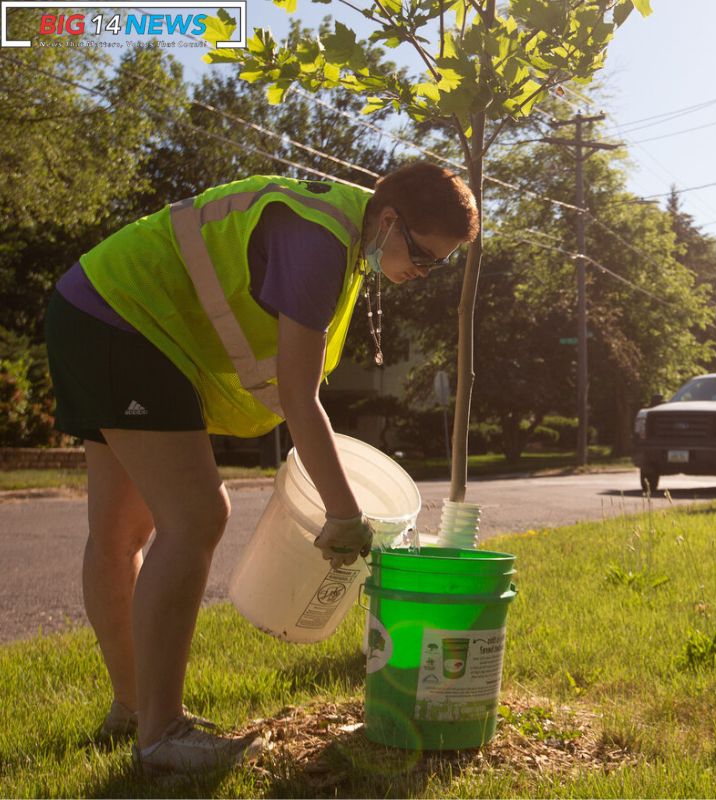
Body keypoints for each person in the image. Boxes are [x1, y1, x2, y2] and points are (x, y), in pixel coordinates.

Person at [44, 163, 478, 776]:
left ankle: (132, 709)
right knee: (197, 516)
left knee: (120, 534)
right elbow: (300, 396)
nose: (424, 275)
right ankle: (160, 732)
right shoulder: (320, 241)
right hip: (124, 320)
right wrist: (345, 515)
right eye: (427, 257)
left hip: (95, 307)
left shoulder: (346, 230)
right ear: (390, 221)